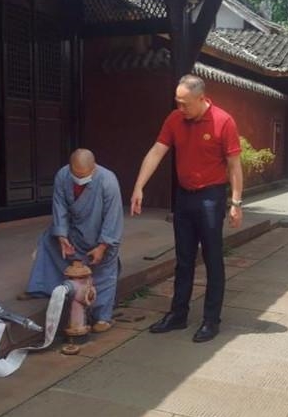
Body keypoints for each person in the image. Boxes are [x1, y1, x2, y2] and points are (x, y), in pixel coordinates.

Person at [130, 74, 243, 343]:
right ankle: (178, 314)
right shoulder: (174, 119)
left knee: (213, 258)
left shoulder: (223, 121)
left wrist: (236, 202)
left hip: (211, 197)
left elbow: (234, 165)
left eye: (185, 103)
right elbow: (156, 151)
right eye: (177, 102)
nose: (180, 108)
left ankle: (211, 319)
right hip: (184, 196)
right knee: (183, 259)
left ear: (201, 98)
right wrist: (138, 186)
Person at [20, 149, 124, 331]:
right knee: (48, 240)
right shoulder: (63, 175)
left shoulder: (108, 181)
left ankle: (102, 318)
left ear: (94, 168)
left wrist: (102, 246)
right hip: (74, 231)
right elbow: (59, 206)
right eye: (75, 175)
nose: (79, 179)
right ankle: (42, 288)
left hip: (99, 234)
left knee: (105, 270)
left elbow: (113, 217)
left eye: (84, 176)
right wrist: (62, 236)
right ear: (69, 168)